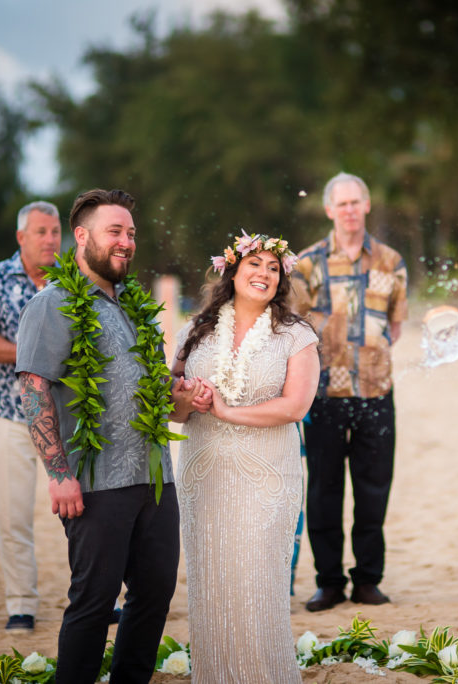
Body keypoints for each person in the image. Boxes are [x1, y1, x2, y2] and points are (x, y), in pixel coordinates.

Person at [15, 189, 184, 684]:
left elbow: (148, 390)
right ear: (82, 236)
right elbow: (33, 390)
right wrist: (59, 474)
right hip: (94, 483)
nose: (127, 242)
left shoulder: (132, 304)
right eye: (115, 231)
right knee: (93, 600)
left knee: (154, 595)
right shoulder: (53, 303)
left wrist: (183, 397)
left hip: (155, 477)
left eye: (131, 233)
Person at [171, 232, 319, 683]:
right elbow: (169, 408)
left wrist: (229, 411)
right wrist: (188, 399)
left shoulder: (296, 335)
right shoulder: (193, 330)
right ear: (232, 271)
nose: (265, 274)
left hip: (267, 476)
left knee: (258, 584)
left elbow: (296, 407)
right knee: (212, 586)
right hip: (204, 475)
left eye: (274, 268)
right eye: (255, 264)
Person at [292, 172, 408, 612]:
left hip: (377, 393)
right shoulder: (306, 264)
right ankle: (328, 582)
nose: (350, 210)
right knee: (323, 491)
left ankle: (367, 581)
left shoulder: (392, 261)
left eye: (356, 202)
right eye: (341, 204)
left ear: (368, 205)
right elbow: (293, 326)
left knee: (374, 489)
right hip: (322, 396)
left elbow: (395, 326)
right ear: (329, 210)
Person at [0, 200, 61, 631]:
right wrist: (31, 358)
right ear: (21, 237)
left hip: (65, 417)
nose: (50, 239)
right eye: (41, 232)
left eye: (56, 231)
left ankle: (95, 597)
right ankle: (21, 603)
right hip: (6, 412)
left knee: (84, 509)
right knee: (13, 513)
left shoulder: (73, 280)